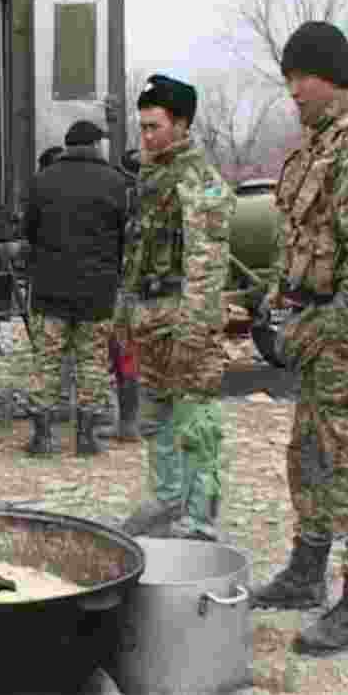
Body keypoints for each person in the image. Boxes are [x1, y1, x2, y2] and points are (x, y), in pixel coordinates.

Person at [250, 21, 348, 656]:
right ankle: (306, 573)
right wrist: (277, 306)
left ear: (331, 78)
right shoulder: (320, 149)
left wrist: (327, 332)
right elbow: (297, 241)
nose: (293, 92)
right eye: (289, 79)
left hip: (343, 338)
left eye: (301, 79)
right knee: (308, 457)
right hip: (313, 330)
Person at [117, 75, 236, 541]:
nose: (146, 136)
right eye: (143, 127)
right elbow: (136, 253)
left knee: (194, 421)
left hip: (185, 318)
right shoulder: (151, 178)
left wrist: (194, 329)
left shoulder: (196, 180)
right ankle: (167, 499)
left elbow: (207, 263)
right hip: (150, 318)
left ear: (182, 125)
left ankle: (200, 519)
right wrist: (125, 312)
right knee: (156, 417)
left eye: (155, 127)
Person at [23, 120, 128, 456]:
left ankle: (42, 438)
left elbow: (29, 231)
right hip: (97, 291)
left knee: (47, 361)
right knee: (92, 362)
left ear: (68, 145)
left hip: (49, 288)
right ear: (95, 145)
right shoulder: (115, 182)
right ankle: (85, 437)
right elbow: (124, 236)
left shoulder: (42, 180)